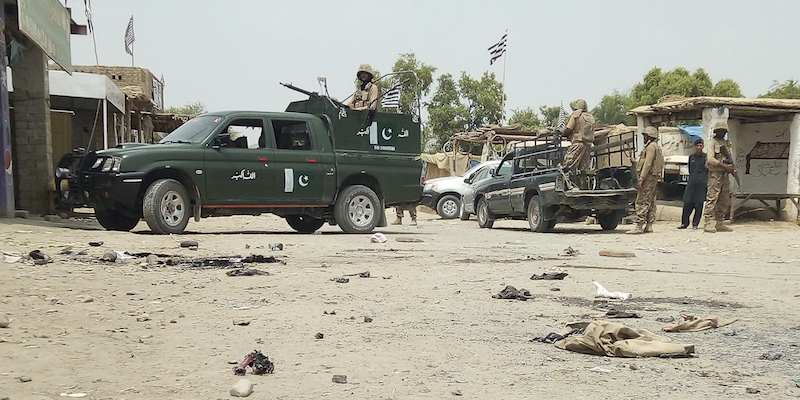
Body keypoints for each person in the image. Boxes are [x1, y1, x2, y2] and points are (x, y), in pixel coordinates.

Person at [628, 126, 664, 234]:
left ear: (649, 136)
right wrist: (636, 162)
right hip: (652, 178)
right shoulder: (655, 147)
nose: (643, 137)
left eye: (645, 135)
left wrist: (641, 179)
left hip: (648, 178)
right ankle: (649, 225)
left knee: (642, 201)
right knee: (651, 201)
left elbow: (648, 164)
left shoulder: (651, 147)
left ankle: (639, 225)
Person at [703, 121, 735, 233]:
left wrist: (729, 167)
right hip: (715, 174)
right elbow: (711, 159)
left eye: (724, 131)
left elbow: (728, 157)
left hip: (724, 175)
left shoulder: (727, 143)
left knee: (724, 199)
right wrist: (724, 166)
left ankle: (720, 222)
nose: (722, 133)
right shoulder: (712, 143)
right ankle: (707, 223)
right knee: (712, 197)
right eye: (720, 131)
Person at [562, 99, 596, 186]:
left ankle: (568, 186)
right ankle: (583, 186)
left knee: (568, 166)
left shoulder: (576, 115)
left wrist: (562, 134)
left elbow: (569, 129)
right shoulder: (590, 117)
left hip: (578, 143)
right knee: (583, 169)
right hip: (588, 145)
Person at [678, 139, 708, 230]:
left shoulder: (706, 158)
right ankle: (684, 223)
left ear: (703, 146)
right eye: (697, 146)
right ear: (695, 146)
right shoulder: (691, 157)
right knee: (687, 203)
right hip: (691, 183)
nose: (698, 147)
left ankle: (695, 224)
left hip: (701, 184)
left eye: (700, 145)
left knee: (699, 204)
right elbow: (690, 169)